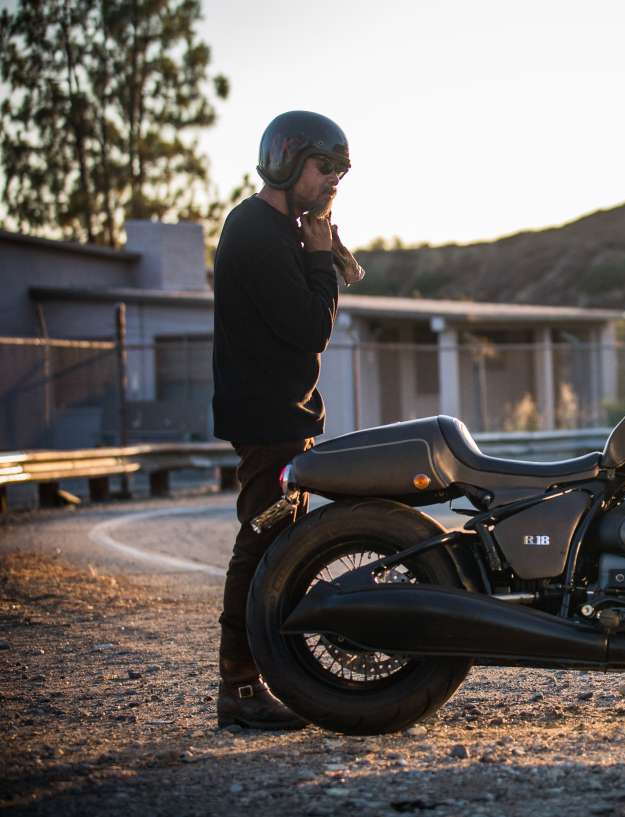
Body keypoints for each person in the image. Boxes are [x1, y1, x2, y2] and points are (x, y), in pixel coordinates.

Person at [210, 110, 357, 729]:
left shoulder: (281, 230)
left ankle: (267, 676)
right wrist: (321, 259)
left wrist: (318, 252)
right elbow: (308, 329)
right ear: (288, 159)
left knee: (278, 547)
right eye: (324, 168)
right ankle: (240, 687)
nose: (332, 181)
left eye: (340, 172)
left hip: (284, 416)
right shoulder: (256, 231)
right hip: (267, 419)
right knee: (260, 545)